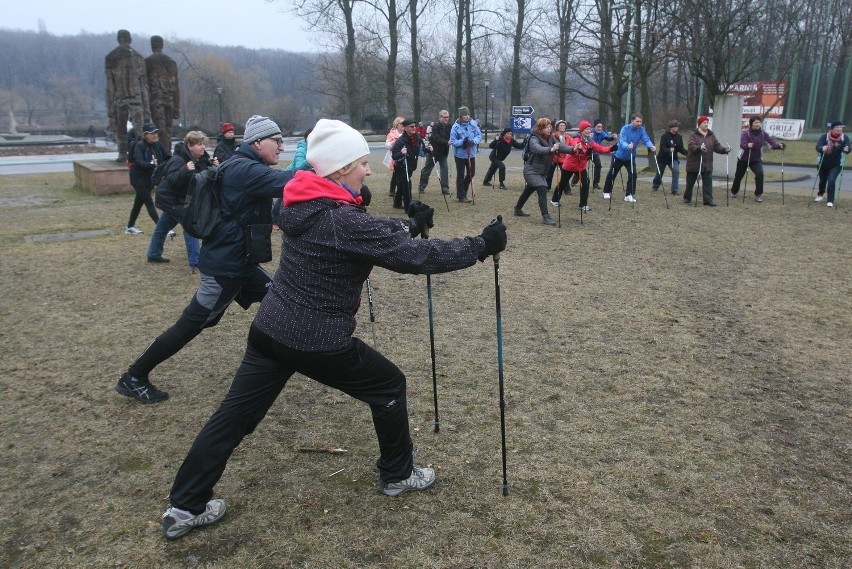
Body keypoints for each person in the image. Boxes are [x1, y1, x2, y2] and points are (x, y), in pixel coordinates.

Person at [158, 118, 508, 539]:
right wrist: (481, 245)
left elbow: (363, 234)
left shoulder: (303, 205)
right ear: (340, 170)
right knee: (389, 386)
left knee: (233, 416)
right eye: (362, 163)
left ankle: (185, 506)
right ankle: (398, 474)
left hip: (271, 330)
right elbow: (415, 257)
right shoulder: (341, 220)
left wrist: (408, 225)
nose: (369, 170)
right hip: (317, 340)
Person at [115, 115, 296, 403]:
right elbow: (290, 182)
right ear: (258, 142)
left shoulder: (246, 165)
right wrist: (321, 163)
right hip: (226, 267)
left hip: (241, 264)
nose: (282, 147)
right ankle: (134, 376)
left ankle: (287, 357)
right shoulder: (245, 170)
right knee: (191, 324)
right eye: (277, 141)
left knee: (280, 298)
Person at [147, 131, 218, 267]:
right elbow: (172, 180)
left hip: (180, 200)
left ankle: (153, 254)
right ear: (190, 146)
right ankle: (195, 260)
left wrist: (212, 165)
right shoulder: (178, 160)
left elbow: (200, 176)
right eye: (199, 144)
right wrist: (185, 169)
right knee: (190, 227)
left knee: (162, 227)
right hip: (173, 200)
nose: (203, 147)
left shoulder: (199, 159)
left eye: (203, 144)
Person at [513, 118, 575, 225]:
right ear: (541, 128)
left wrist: (573, 149)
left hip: (541, 172)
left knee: (529, 189)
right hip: (531, 171)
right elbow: (536, 149)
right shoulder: (534, 137)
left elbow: (560, 146)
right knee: (542, 188)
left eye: (550, 126)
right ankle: (546, 217)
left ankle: (517, 209)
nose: (549, 128)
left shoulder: (550, 138)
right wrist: (550, 149)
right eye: (547, 127)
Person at [104, 29, 150, 163]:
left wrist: (110, 110)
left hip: (120, 99)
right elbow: (144, 87)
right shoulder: (138, 58)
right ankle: (141, 154)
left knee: (121, 130)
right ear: (130, 39)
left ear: (119, 39)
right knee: (139, 130)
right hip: (136, 99)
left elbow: (110, 88)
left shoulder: (111, 57)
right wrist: (146, 109)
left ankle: (122, 154)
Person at [553, 120, 613, 212]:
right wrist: (584, 151)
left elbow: (599, 148)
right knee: (563, 183)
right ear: (581, 130)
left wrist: (611, 148)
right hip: (570, 165)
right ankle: (555, 200)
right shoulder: (576, 139)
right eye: (586, 129)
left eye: (589, 129)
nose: (588, 131)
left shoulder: (589, 141)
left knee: (586, 183)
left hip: (581, 166)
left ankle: (583, 204)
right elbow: (575, 148)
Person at [601, 113, 656, 203]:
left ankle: (629, 194)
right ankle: (607, 191)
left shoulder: (641, 130)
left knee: (633, 175)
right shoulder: (625, 129)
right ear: (632, 121)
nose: (639, 123)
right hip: (619, 155)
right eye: (637, 121)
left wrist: (650, 146)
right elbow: (622, 141)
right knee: (612, 173)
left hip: (630, 156)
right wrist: (627, 146)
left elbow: (646, 139)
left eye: (640, 121)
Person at [729, 116, 785, 203]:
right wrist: (748, 145)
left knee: (760, 174)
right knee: (739, 176)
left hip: (756, 159)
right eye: (755, 122)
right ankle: (734, 191)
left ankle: (758, 194)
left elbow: (771, 143)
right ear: (751, 124)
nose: (758, 124)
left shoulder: (763, 134)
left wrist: (779, 146)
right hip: (744, 158)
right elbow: (742, 144)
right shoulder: (746, 133)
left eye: (759, 122)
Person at [125, 122, 167, 235]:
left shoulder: (158, 145)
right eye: (151, 133)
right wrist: (152, 165)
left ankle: (129, 227)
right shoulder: (139, 145)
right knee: (149, 202)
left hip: (150, 178)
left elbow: (167, 157)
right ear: (145, 135)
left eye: (156, 133)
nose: (155, 135)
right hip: (138, 178)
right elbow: (138, 162)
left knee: (138, 203)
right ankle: (161, 228)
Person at [682, 115, 731, 206]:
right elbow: (691, 146)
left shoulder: (711, 135)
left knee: (708, 182)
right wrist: (699, 148)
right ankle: (687, 197)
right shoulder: (693, 135)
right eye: (704, 122)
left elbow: (717, 146)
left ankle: (708, 200)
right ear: (699, 124)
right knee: (690, 182)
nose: (706, 124)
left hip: (707, 163)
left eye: (707, 122)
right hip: (694, 163)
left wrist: (724, 150)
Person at [145, 36, 180, 152]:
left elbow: (145, 86)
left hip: (156, 101)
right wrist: (177, 107)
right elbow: (176, 87)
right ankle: (167, 152)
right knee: (168, 130)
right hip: (169, 100)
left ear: (151, 45)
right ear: (162, 45)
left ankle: (164, 153)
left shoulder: (148, 62)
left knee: (160, 129)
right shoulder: (171, 62)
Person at [272, 127, 313, 222]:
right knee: (282, 197)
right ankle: (274, 220)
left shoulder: (312, 148)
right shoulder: (302, 150)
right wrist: (310, 160)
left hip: (298, 177)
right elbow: (298, 167)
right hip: (289, 176)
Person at [391, 118, 431, 210]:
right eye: (411, 127)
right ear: (405, 128)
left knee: (401, 185)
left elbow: (422, 151)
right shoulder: (400, 141)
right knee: (407, 185)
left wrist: (428, 149)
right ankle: (408, 207)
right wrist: (401, 152)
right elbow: (394, 156)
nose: (414, 128)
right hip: (401, 166)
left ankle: (396, 204)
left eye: (414, 126)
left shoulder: (417, 138)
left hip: (411, 166)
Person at [814, 120, 850, 208]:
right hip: (823, 163)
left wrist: (847, 149)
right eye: (837, 127)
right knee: (822, 180)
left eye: (840, 127)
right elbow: (818, 146)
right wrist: (822, 148)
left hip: (836, 164)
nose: (839, 129)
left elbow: (848, 146)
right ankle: (820, 194)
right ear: (832, 128)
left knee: (831, 180)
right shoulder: (825, 137)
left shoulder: (844, 137)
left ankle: (830, 200)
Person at [450, 106, 482, 203]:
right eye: (465, 115)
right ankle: (462, 196)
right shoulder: (455, 127)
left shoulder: (473, 124)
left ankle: (462, 191)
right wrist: (462, 142)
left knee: (471, 173)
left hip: (471, 154)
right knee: (460, 175)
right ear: (460, 116)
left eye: (468, 114)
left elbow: (479, 135)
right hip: (460, 155)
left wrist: (473, 141)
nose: (467, 116)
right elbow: (453, 141)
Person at [418, 110, 452, 196]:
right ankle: (422, 186)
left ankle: (445, 188)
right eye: (444, 117)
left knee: (445, 169)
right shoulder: (435, 127)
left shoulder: (449, 126)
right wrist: (447, 142)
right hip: (434, 151)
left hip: (444, 152)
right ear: (440, 117)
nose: (446, 119)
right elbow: (437, 138)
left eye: (447, 117)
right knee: (427, 169)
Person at [652, 120, 687, 195]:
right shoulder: (665, 136)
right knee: (659, 173)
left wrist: (687, 153)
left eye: (677, 126)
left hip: (673, 158)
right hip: (662, 158)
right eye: (675, 127)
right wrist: (668, 150)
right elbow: (662, 147)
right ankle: (655, 186)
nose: (677, 128)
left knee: (676, 171)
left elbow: (680, 148)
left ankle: (674, 189)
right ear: (671, 128)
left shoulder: (679, 137)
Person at [590, 119, 617, 190]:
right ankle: (575, 180)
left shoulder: (602, 133)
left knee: (598, 165)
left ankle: (595, 183)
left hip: (595, 151)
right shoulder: (590, 132)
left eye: (601, 127)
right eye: (598, 127)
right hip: (587, 150)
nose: (600, 128)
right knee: (580, 166)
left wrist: (613, 137)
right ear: (594, 127)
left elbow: (608, 138)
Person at [385, 117, 405, 197]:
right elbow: (387, 146)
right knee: (396, 174)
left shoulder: (406, 133)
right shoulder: (391, 134)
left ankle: (400, 190)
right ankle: (392, 190)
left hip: (404, 156)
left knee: (400, 174)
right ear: (397, 125)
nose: (403, 125)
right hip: (395, 157)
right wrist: (394, 143)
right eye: (401, 124)